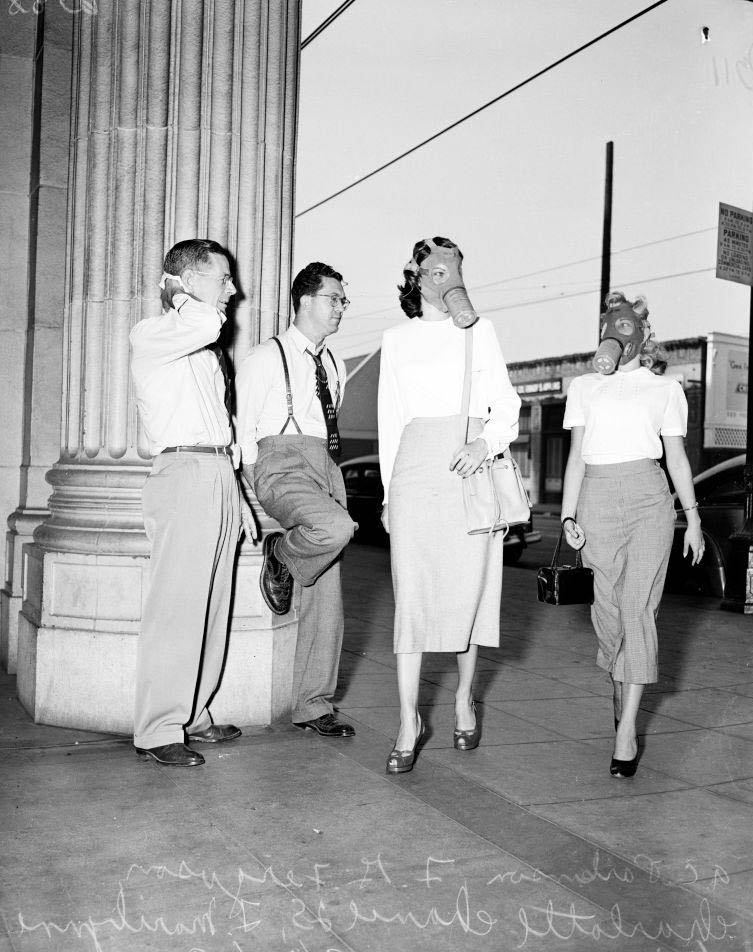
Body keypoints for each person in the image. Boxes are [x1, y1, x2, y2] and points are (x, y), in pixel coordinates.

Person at [378, 237, 521, 773]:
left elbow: (507, 402)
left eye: (452, 269)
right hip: (415, 470)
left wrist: (485, 443)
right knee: (411, 597)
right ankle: (408, 719)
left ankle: (464, 699)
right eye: (433, 270)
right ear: (416, 277)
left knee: (467, 595)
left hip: (469, 464)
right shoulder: (395, 339)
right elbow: (392, 421)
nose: (444, 278)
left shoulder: (479, 332)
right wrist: (391, 495)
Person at [560, 291, 704, 778]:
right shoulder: (583, 387)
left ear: (642, 337)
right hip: (597, 500)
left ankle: (626, 731)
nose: (615, 338)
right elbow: (577, 456)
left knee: (638, 610)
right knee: (609, 615)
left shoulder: (666, 389)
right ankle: (622, 696)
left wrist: (694, 518)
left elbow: (676, 458)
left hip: (649, 500)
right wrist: (567, 517)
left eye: (624, 328)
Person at [130, 238, 255, 767]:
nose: (234, 289)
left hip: (217, 473)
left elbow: (220, 427)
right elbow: (206, 322)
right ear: (183, 282)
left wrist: (240, 496)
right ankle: (159, 728)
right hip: (181, 473)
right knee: (177, 608)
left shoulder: (201, 352)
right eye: (222, 278)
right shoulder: (154, 334)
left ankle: (193, 714)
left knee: (212, 607)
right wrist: (181, 297)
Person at [236, 262, 357, 738]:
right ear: (305, 300)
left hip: (324, 466)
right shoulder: (265, 358)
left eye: (344, 300)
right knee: (337, 528)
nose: (341, 308)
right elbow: (244, 432)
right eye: (334, 298)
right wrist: (249, 493)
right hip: (279, 462)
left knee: (326, 596)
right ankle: (281, 553)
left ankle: (313, 704)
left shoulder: (335, 364)